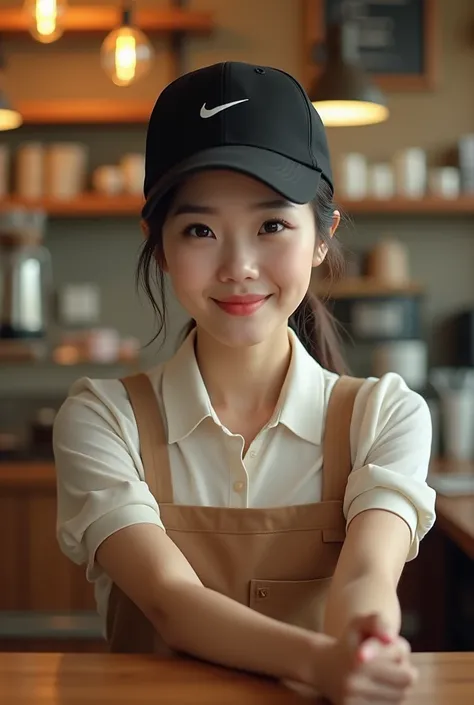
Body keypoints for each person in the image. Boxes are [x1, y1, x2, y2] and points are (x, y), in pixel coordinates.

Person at [53, 61, 436, 704]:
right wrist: (324, 663)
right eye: (200, 230)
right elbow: (170, 602)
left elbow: (365, 578)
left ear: (322, 236)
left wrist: (367, 638)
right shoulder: (102, 418)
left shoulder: (387, 415)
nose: (239, 267)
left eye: (272, 225)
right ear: (160, 244)